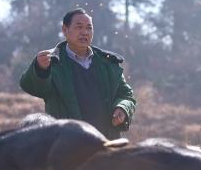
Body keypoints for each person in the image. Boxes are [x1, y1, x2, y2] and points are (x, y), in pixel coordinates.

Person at [19, 8, 136, 139]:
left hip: (107, 142)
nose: (84, 32)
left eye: (89, 28)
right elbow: (32, 87)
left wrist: (122, 108)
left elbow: (126, 95)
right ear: (65, 30)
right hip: (68, 143)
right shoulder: (52, 61)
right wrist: (40, 69)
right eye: (79, 27)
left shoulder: (107, 63)